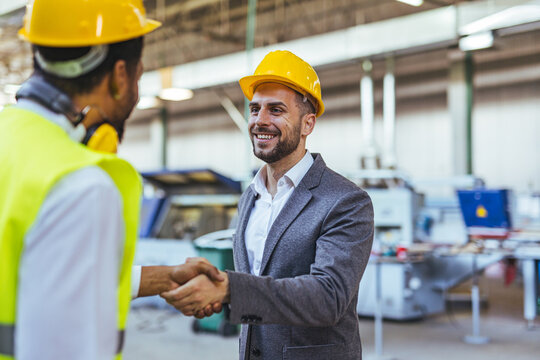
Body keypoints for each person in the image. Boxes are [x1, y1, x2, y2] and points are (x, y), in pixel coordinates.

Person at [0, 1, 222, 359]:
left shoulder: (9, 139)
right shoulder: (80, 186)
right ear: (120, 76)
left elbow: (35, 274)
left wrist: (166, 277)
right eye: (138, 76)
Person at [162, 50, 374, 359]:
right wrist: (216, 290)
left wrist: (231, 289)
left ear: (307, 124)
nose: (261, 120)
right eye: (255, 109)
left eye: (276, 110)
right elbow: (257, 283)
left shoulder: (345, 201)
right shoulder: (251, 196)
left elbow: (329, 297)